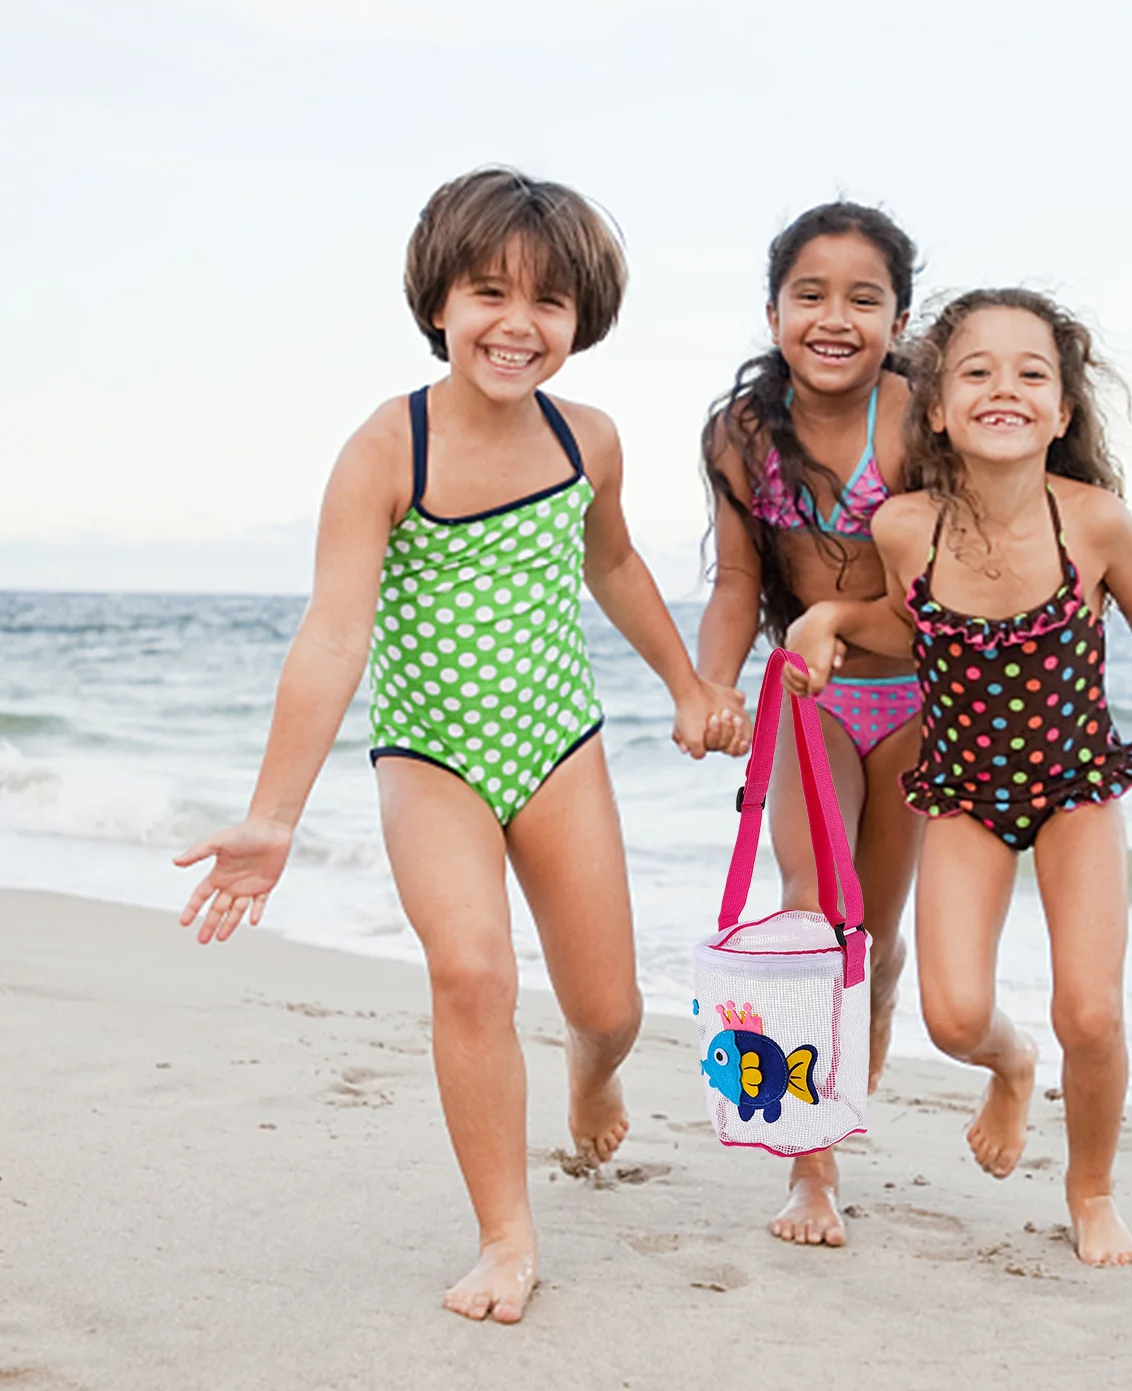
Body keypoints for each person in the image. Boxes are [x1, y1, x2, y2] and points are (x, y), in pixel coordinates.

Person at [174, 167, 749, 1323]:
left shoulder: (588, 439)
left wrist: (688, 682)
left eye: (549, 303)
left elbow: (614, 566)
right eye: (490, 291)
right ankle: (505, 1237)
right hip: (431, 756)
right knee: (474, 972)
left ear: (581, 321)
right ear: (438, 299)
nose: (518, 324)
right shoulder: (389, 447)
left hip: (558, 747)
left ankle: (593, 1075)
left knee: (612, 1004)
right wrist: (275, 816)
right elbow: (335, 632)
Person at [784, 288, 1132, 1266]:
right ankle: (1012, 1066)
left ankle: (1092, 1188)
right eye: (976, 370)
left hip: (1075, 789)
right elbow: (902, 625)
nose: (1004, 389)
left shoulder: (1094, 524)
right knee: (951, 1017)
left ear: (1062, 412)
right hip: (964, 795)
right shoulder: (906, 529)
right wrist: (823, 624)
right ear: (934, 407)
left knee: (1093, 1012)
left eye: (1031, 373)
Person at [697, 202, 922, 1248]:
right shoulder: (742, 435)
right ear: (775, 308)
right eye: (811, 295)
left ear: (898, 316)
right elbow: (739, 580)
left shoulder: (918, 417)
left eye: (862, 299)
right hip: (809, 696)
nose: (835, 319)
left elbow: (959, 576)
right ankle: (810, 1172)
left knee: (871, 938)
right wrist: (711, 686)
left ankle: (862, 1044)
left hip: (924, 697)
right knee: (811, 917)